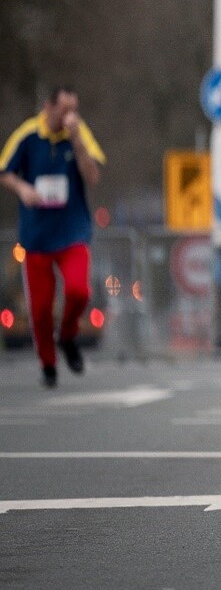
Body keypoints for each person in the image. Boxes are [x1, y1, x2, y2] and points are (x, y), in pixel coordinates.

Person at [0, 87, 105, 388]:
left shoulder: (79, 133)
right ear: (48, 107)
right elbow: (4, 170)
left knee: (79, 291)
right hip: (37, 235)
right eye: (64, 110)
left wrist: (78, 142)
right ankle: (48, 364)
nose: (69, 117)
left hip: (73, 231)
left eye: (74, 110)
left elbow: (93, 176)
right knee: (41, 309)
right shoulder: (28, 135)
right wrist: (22, 189)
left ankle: (69, 335)